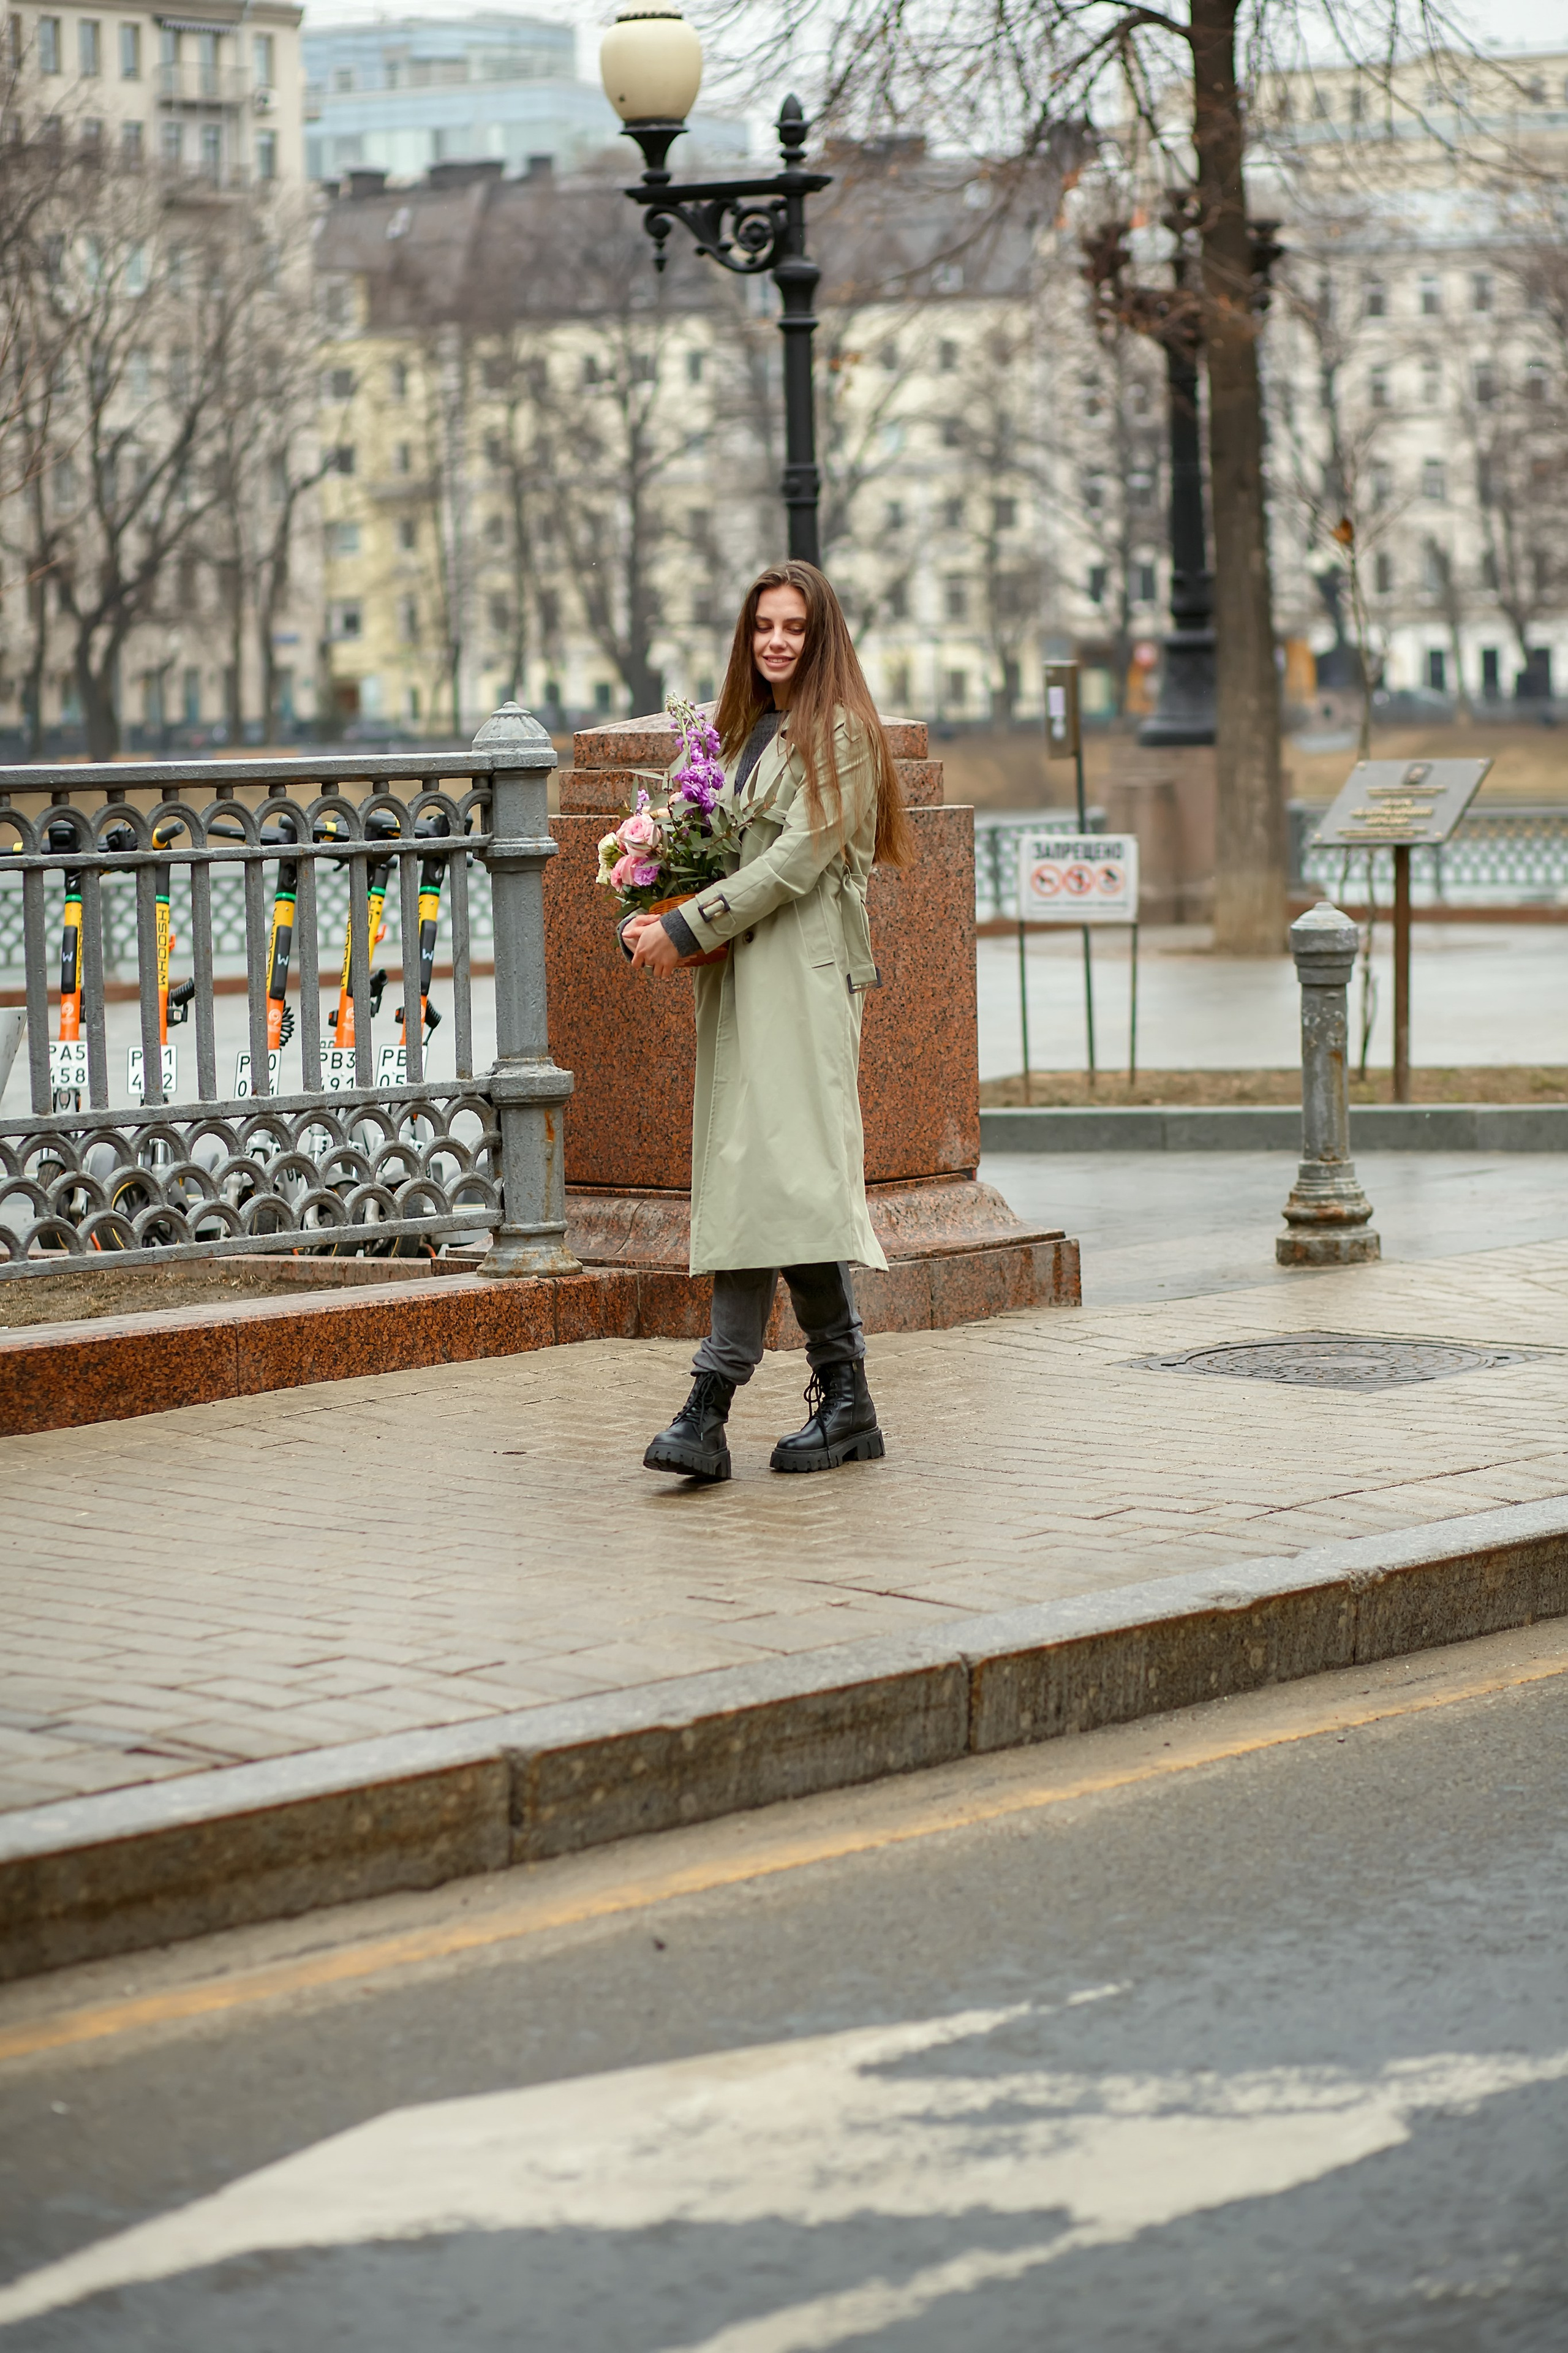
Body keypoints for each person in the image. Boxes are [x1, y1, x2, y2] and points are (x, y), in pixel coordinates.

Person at [622, 560, 913, 1482]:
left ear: (822, 637)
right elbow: (717, 846)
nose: (777, 642)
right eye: (763, 627)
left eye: (794, 627)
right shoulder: (747, 731)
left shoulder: (844, 734)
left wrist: (684, 926)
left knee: (772, 1177)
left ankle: (711, 1403)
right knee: (776, 1182)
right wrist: (648, 891)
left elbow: (793, 864)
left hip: (804, 980)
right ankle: (845, 1401)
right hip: (746, 976)